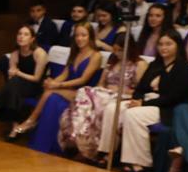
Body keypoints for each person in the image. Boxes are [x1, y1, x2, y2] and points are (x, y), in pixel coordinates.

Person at [99, 30, 188, 172]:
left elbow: (174, 97)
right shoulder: (155, 65)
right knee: (112, 109)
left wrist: (143, 104)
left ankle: (140, 162)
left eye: (168, 44)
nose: (164, 47)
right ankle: (109, 153)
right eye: (161, 44)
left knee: (133, 115)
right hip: (145, 102)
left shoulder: (186, 68)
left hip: (167, 108)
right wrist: (138, 99)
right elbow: (140, 88)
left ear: (178, 46)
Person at [12, 24, 102, 150]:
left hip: (85, 93)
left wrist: (57, 85)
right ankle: (42, 137)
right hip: (69, 89)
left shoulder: (96, 55)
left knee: (50, 93)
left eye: (83, 35)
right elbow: (65, 73)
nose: (79, 38)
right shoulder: (75, 53)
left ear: (90, 37)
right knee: (51, 94)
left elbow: (83, 79)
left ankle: (31, 120)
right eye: (77, 35)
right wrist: (52, 82)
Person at [59, 33, 145, 161]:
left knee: (91, 103)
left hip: (123, 97)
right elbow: (100, 83)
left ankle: (83, 142)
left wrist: (123, 91)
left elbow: (140, 90)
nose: (116, 53)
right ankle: (80, 138)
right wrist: (102, 90)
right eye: (115, 49)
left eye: (120, 50)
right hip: (105, 93)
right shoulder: (112, 61)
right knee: (84, 92)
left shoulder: (139, 64)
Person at [0, 26, 46, 123]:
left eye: (26, 34)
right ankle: (14, 124)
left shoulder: (39, 53)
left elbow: (36, 78)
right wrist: (13, 74)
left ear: (32, 39)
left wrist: (18, 73)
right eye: (19, 34)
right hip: (18, 85)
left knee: (14, 83)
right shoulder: (15, 54)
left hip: (35, 87)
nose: (21, 37)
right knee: (13, 85)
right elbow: (11, 76)